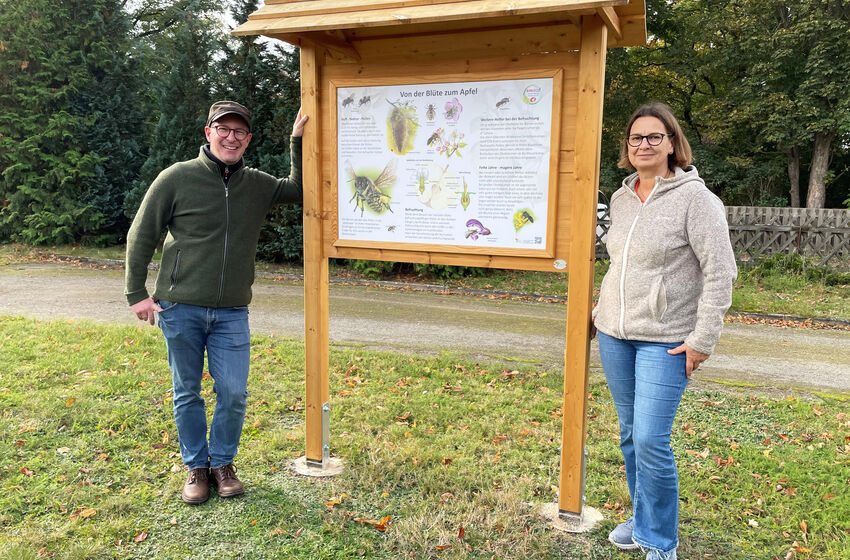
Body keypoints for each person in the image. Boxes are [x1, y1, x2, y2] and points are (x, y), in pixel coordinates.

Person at [125, 101, 309, 505]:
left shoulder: (257, 184)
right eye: (223, 129)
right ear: (208, 132)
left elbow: (299, 190)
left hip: (231, 312)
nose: (231, 137)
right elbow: (141, 234)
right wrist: (136, 293)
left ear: (247, 140)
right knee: (187, 391)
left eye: (239, 132)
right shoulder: (176, 177)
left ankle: (223, 464)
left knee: (233, 392)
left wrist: (296, 141)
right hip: (179, 307)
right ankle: (196, 467)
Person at [592, 102, 737, 560]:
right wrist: (600, 311)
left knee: (653, 438)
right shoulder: (620, 197)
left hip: (667, 340)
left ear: (673, 143)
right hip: (616, 335)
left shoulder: (697, 199)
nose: (644, 144)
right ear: (627, 146)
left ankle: (659, 542)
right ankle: (642, 517)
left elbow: (720, 272)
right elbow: (621, 265)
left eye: (655, 136)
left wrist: (702, 340)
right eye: (636, 137)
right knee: (631, 433)